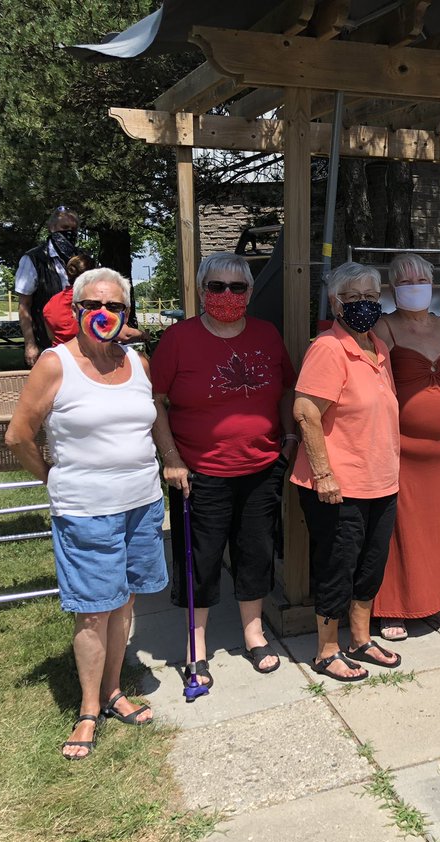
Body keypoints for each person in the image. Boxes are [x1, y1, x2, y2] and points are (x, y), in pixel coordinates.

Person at [5, 267, 169, 758]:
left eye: (114, 306)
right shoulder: (55, 364)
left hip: (142, 504)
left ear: (126, 312)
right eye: (93, 305)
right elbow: (18, 436)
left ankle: (114, 690)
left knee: (125, 602)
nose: (103, 313)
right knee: (94, 610)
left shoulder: (137, 362)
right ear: (76, 310)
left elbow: (152, 420)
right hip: (86, 511)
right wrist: (53, 478)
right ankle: (89, 708)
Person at [151, 253, 296, 686]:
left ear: (249, 292)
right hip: (199, 472)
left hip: (261, 467)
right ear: (201, 290)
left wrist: (288, 438)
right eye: (217, 286)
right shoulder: (178, 339)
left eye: (237, 287)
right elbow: (155, 401)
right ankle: (196, 645)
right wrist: (171, 458)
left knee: (255, 551)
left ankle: (254, 633)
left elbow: (286, 388)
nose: (227, 295)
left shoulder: (267, 334)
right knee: (201, 557)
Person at [292, 262, 402, 681]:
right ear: (335, 302)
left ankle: (360, 638)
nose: (364, 304)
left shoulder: (378, 346)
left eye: (371, 297)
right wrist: (324, 475)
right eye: (353, 297)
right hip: (338, 485)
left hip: (380, 481)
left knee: (371, 565)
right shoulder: (328, 348)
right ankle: (326, 650)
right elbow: (305, 412)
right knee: (337, 566)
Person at [372, 253, 440, 639]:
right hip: (405, 452)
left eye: (421, 279)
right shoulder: (383, 328)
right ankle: (394, 607)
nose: (414, 286)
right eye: (405, 281)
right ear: (393, 288)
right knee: (401, 531)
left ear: (432, 284)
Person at [16, 206, 80, 367]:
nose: (69, 232)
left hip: (80, 342)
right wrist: (30, 344)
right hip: (47, 341)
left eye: (74, 229)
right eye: (64, 227)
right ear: (52, 228)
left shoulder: (82, 258)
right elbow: (24, 305)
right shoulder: (33, 259)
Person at [43, 255, 96, 345]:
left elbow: (51, 336)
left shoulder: (51, 303)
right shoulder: (95, 302)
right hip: (87, 352)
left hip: (59, 352)